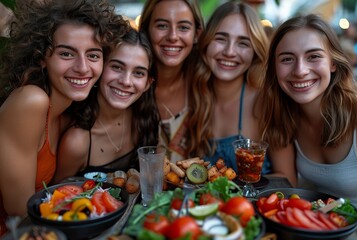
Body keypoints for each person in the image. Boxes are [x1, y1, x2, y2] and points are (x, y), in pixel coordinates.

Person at [0, 0, 128, 235]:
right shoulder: (31, 101)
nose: (82, 67)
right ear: (41, 57)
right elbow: (19, 209)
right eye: (67, 53)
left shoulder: (69, 110)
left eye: (93, 55)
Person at [188, 1, 296, 186]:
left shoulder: (266, 103)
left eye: (243, 43)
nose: (230, 52)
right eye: (221, 39)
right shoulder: (194, 96)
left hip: (254, 211)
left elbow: (288, 179)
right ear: (206, 43)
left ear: (255, 52)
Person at [257, 14, 357, 208]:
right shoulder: (282, 115)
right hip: (315, 228)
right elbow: (288, 183)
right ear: (274, 68)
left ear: (333, 63)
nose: (300, 70)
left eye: (313, 56)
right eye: (287, 59)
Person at [53, 28, 159, 183]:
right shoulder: (77, 142)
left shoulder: (143, 118)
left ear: (148, 83)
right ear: (100, 67)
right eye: (117, 67)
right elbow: (56, 198)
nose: (126, 81)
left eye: (138, 73)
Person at [139, 0, 204, 162]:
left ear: (197, 34)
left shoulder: (204, 84)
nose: (173, 37)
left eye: (183, 27)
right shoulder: (128, 85)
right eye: (162, 26)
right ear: (146, 30)